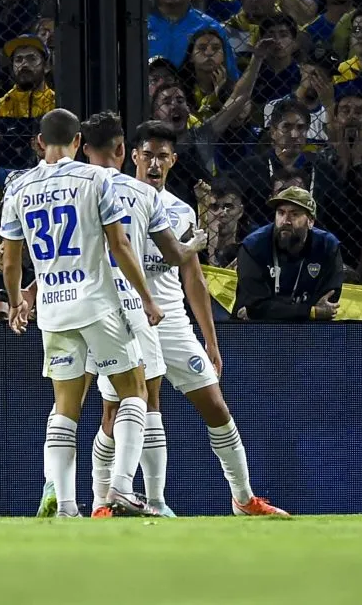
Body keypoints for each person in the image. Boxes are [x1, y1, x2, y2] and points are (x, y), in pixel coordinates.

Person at [0, 108, 163, 518]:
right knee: (134, 391)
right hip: (97, 302)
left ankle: (66, 505)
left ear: (40, 142)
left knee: (65, 407)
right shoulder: (97, 179)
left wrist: (18, 301)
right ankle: (123, 488)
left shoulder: (17, 187)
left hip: (53, 308)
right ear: (77, 142)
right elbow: (121, 246)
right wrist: (145, 296)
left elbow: (9, 262)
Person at [121, 125, 289, 517]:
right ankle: (152, 503)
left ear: (173, 160)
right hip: (132, 318)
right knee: (147, 403)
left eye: (163, 156)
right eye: (148, 155)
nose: (155, 163)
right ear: (134, 156)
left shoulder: (180, 210)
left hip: (174, 322)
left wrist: (211, 340)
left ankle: (244, 499)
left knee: (216, 406)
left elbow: (193, 278)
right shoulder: (116, 201)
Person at [66, 112, 206, 518]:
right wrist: (194, 244)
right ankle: (128, 492)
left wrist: (33, 291)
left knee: (81, 406)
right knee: (143, 398)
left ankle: (83, 501)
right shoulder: (140, 195)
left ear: (79, 145)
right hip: (128, 304)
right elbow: (164, 254)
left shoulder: (73, 189)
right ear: (126, 152)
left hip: (79, 305)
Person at [234, 186, 344, 322]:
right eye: (281, 213)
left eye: (294, 214)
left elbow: (327, 303)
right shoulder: (253, 246)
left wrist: (271, 310)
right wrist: (310, 311)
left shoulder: (328, 247)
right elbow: (256, 307)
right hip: (255, 331)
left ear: (310, 221)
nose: (286, 221)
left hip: (307, 331)